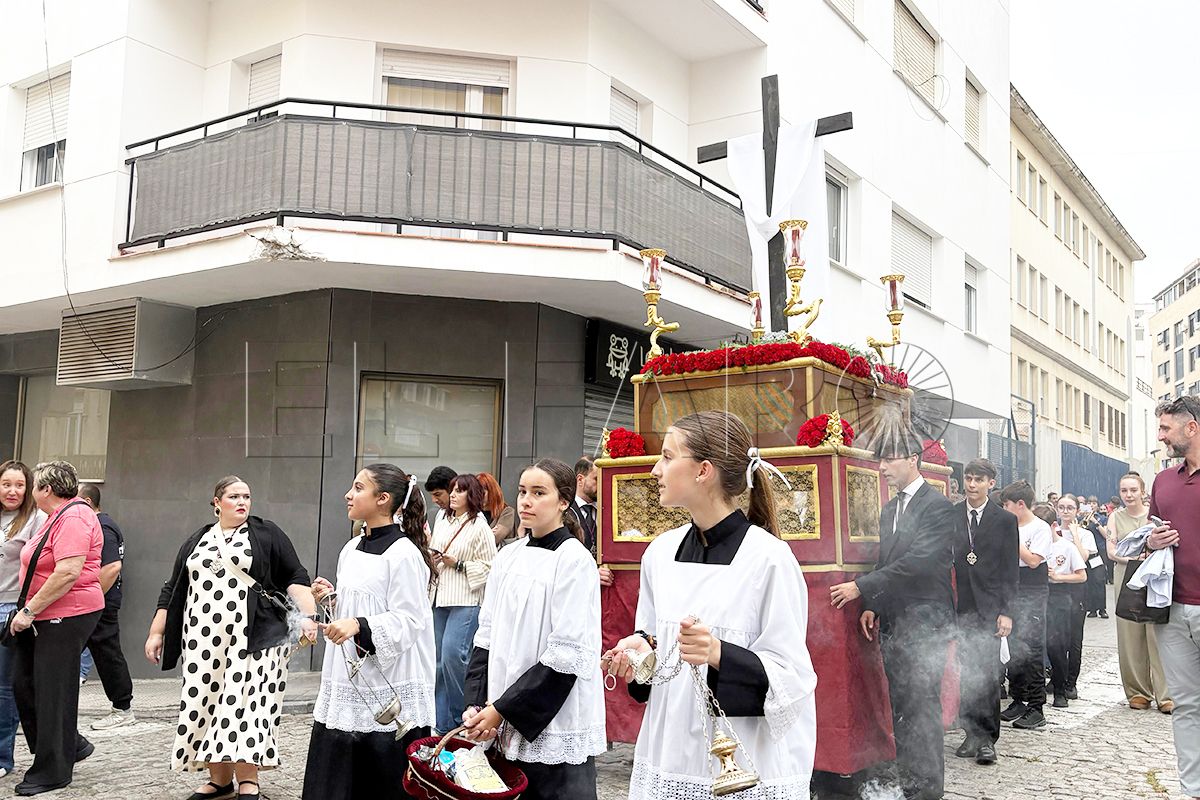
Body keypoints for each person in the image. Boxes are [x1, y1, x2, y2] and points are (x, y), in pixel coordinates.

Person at [606, 410, 817, 800]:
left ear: (704, 470)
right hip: (667, 751)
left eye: (668, 457)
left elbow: (793, 679)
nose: (655, 470)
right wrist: (642, 652)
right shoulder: (660, 553)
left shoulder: (769, 559)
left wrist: (720, 653)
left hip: (739, 760)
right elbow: (654, 644)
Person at [144, 476, 318, 800]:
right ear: (216, 502)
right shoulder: (197, 540)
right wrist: (157, 631)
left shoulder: (266, 533)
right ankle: (219, 781)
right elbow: (172, 588)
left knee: (244, 706)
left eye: (247, 496)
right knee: (204, 703)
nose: (242, 502)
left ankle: (248, 779)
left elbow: (296, 574)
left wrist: (308, 615)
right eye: (234, 496)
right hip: (201, 640)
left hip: (252, 638)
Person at [462, 459, 605, 799]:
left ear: (564, 502)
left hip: (551, 718)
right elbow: (487, 634)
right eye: (523, 491)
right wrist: (477, 703)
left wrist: (503, 710)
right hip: (502, 711)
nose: (526, 500)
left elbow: (566, 655)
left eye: (539, 493)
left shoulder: (573, 560)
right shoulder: (508, 557)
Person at [831, 430, 954, 800]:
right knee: (901, 705)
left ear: (912, 459)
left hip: (925, 620)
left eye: (889, 460)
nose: (881, 467)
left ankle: (928, 790)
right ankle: (910, 782)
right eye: (880, 460)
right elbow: (888, 560)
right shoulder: (889, 509)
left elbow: (918, 562)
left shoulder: (937, 506)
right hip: (896, 622)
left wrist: (862, 587)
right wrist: (874, 605)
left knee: (922, 706)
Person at [303, 464, 436, 800]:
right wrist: (331, 599)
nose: (349, 494)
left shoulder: (404, 554)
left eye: (358, 488)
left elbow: (410, 620)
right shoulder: (351, 548)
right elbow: (354, 609)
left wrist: (360, 625)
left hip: (387, 685)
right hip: (348, 680)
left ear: (383, 499)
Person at [9, 461, 102, 796]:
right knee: (26, 683)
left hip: (65, 613)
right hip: (46, 614)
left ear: (45, 489)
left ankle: (53, 770)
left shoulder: (75, 516)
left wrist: (29, 611)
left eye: (33, 485)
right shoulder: (58, 517)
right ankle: (70, 744)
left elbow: (67, 572)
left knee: (52, 691)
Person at [1146, 395, 1200, 800]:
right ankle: (1191, 790)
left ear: (1191, 427)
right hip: (1173, 609)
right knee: (1185, 706)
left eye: (1166, 428)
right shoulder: (1163, 481)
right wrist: (1152, 539)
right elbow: (1147, 540)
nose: (1161, 436)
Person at [950, 458, 1018, 766]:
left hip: (991, 608)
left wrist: (1007, 611)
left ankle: (988, 738)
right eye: (969, 479)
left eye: (979, 480)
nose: (972, 485)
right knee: (966, 672)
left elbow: (1009, 570)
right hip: (961, 605)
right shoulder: (952, 515)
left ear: (991, 483)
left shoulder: (1004, 520)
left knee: (989, 674)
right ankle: (970, 732)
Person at [428, 473, 496, 733]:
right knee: (437, 662)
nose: (454, 494)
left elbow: (492, 566)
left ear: (472, 495)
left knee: (453, 656)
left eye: (460, 490)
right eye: (453, 490)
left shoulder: (479, 524)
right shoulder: (441, 519)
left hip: (466, 598)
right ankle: (442, 723)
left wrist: (458, 564)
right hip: (439, 595)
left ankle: (463, 715)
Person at [1106, 472, 1172, 712]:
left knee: (1158, 634)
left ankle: (1166, 694)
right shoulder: (1115, 516)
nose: (1128, 495)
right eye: (1124, 490)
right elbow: (1111, 551)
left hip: (1154, 576)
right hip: (1126, 575)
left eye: (1133, 490)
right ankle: (1138, 692)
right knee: (1130, 633)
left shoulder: (1154, 515)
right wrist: (1133, 556)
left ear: (1143, 491)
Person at [75, 483, 137, 730]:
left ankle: (122, 709)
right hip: (98, 603)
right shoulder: (103, 524)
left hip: (100, 605)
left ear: (88, 503)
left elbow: (112, 567)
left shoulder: (102, 526)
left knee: (108, 655)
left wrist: (90, 597)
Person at [0, 461, 46, 781]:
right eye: (6, 484)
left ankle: (3, 757)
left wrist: (28, 610)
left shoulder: (35, 519)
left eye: (19, 485)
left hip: (10, 609)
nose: (12, 491)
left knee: (4, 689)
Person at [998, 480, 1054, 731]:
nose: (1004, 509)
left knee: (1031, 649)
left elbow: (1033, 560)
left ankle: (1036, 706)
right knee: (1014, 647)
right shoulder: (1007, 524)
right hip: (1012, 588)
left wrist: (1013, 537)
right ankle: (1018, 698)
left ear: (1020, 505)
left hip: (1033, 590)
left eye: (1007, 505)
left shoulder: (1039, 528)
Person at [1039, 505, 1087, 709]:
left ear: (1054, 526)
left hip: (1059, 595)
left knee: (1056, 646)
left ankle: (1061, 690)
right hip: (1036, 593)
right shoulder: (1031, 543)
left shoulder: (1066, 547)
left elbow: (1081, 575)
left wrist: (1058, 576)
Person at [568, 456, 599, 557]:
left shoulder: (608, 509)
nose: (602, 484)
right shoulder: (565, 510)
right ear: (580, 480)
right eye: (597, 479)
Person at [477, 471, 517, 547]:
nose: (479, 497)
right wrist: (488, 533)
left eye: (482, 493)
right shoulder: (474, 512)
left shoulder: (507, 512)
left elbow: (495, 538)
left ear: (492, 492)